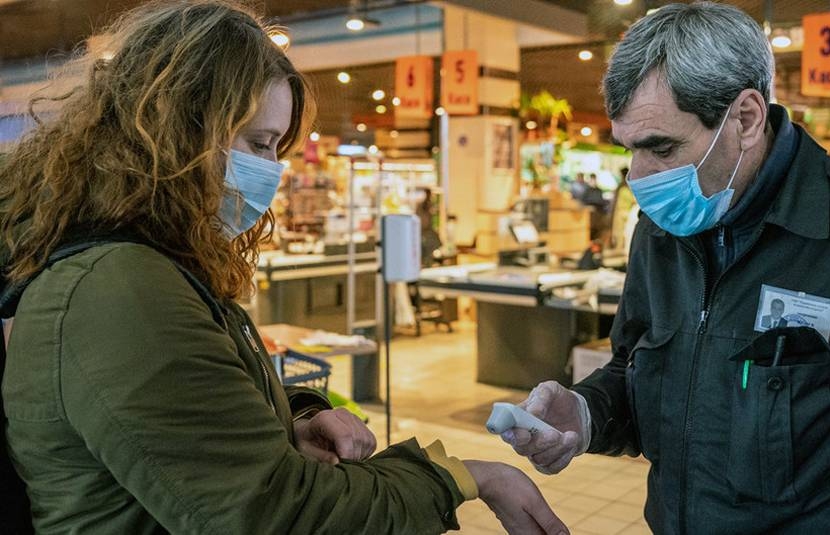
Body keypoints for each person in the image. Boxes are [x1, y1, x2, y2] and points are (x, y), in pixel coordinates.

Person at [0, 2, 567, 534]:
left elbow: (182, 438)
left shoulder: (146, 264)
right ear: (174, 131)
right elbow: (274, 514)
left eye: (276, 147)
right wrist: (464, 477)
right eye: (258, 141)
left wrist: (292, 424)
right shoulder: (118, 287)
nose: (269, 170)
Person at [501, 3, 830, 533]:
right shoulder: (663, 229)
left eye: (662, 148)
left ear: (745, 118)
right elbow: (639, 367)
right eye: (629, 150)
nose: (638, 178)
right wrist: (586, 412)